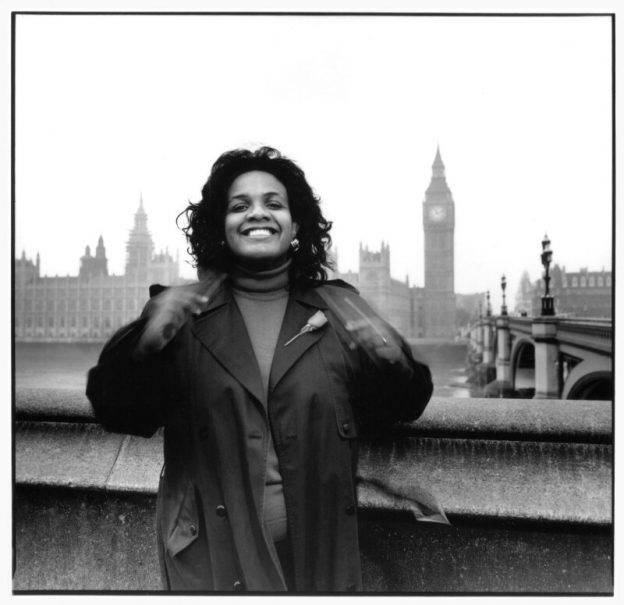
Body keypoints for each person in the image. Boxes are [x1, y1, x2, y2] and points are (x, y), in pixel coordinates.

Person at [86, 146, 433, 592]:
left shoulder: (341, 307)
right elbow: (117, 412)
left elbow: (401, 407)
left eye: (273, 203)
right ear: (220, 226)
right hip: (214, 564)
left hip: (319, 560)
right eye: (239, 206)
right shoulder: (180, 311)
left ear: (295, 224)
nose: (257, 213)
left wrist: (395, 363)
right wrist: (142, 349)